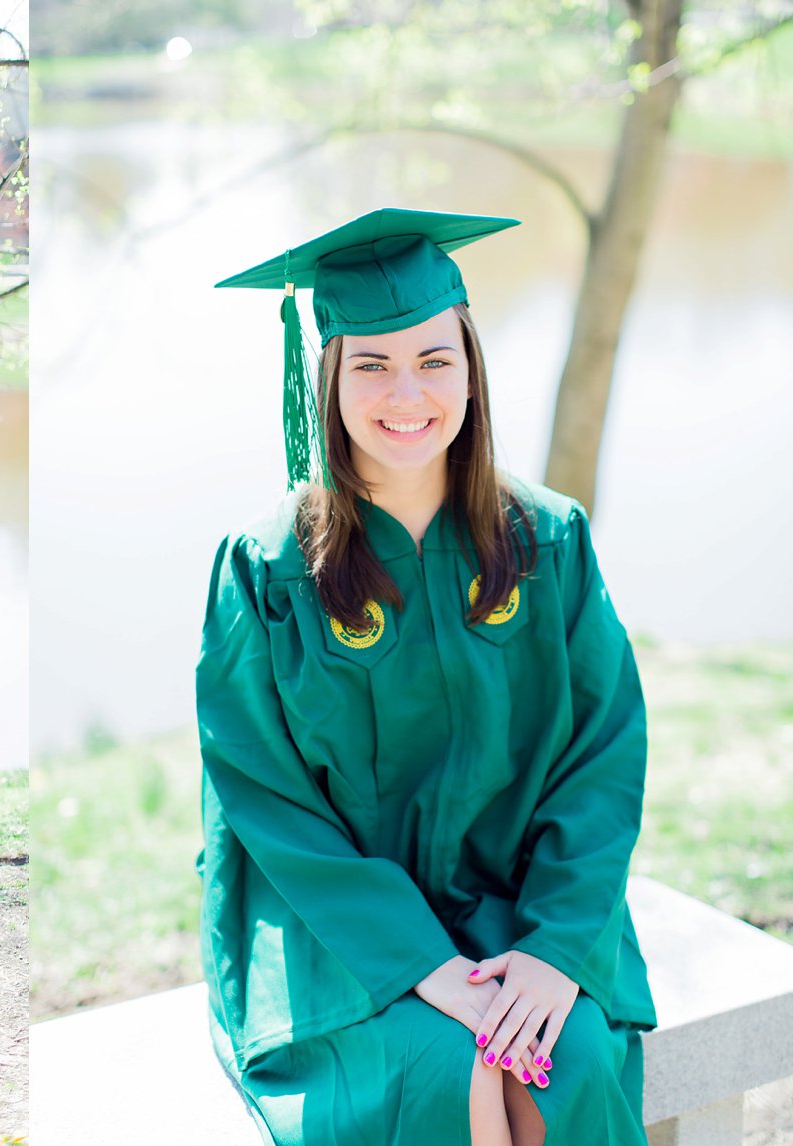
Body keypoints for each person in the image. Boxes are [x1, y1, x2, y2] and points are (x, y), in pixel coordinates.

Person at [196, 209, 656, 1145]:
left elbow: (603, 757)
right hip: (338, 933)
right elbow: (262, 796)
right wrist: (421, 968)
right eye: (372, 363)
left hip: (519, 904)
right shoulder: (269, 568)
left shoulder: (546, 542)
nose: (407, 392)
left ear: (472, 370)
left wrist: (557, 950)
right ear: (328, 378)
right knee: (446, 1071)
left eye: (434, 359)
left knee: (555, 1066)